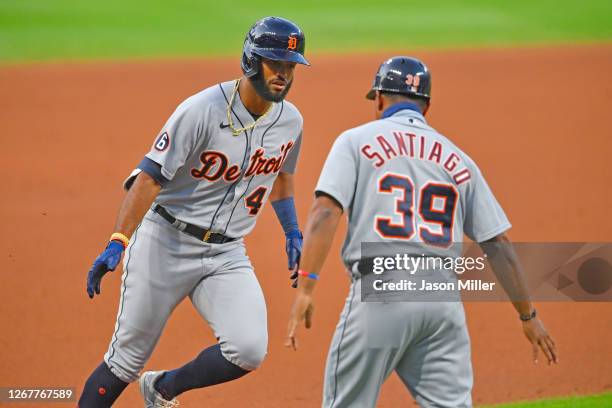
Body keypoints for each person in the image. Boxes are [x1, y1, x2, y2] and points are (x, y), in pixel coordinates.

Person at [285, 56, 558, 408]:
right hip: (442, 302)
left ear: (380, 99)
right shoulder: (460, 160)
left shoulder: (355, 141)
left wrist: (306, 287)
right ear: (426, 105)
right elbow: (498, 244)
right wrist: (528, 316)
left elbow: (325, 211)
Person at [78, 16, 309, 408]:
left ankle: (163, 388)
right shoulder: (201, 110)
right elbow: (149, 178)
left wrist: (292, 230)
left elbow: (281, 175)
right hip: (164, 241)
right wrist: (118, 241)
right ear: (251, 61)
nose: (284, 74)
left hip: (226, 254)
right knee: (124, 362)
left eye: (290, 66)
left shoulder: (291, 121)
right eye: (275, 63)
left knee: (248, 349)